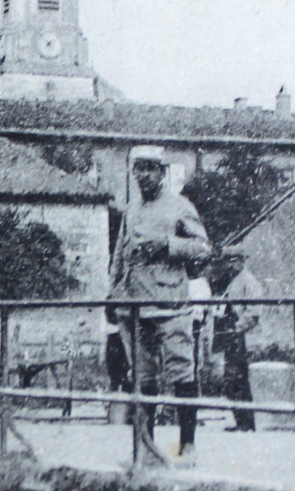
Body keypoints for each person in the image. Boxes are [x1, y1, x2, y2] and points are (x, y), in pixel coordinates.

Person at [110, 146, 213, 468]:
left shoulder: (180, 206)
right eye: (138, 169)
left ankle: (187, 447)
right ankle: (146, 449)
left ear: (162, 172)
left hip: (170, 304)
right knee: (143, 378)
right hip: (136, 305)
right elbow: (120, 254)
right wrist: (113, 294)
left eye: (150, 169)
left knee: (181, 371)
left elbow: (203, 248)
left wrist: (168, 245)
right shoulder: (131, 210)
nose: (143, 175)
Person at [211, 248, 263, 432]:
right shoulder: (233, 281)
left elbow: (254, 312)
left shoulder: (249, 281)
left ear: (241, 261)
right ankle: (240, 419)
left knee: (239, 380)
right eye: (228, 261)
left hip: (242, 336)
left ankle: (246, 422)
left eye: (233, 260)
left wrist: (238, 328)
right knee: (232, 380)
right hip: (232, 336)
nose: (230, 264)